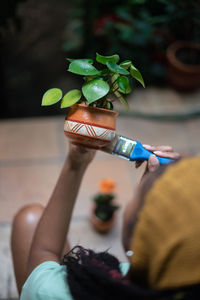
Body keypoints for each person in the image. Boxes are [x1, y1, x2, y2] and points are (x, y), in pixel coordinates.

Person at [11, 142, 200, 299]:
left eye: (140, 201)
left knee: (30, 220)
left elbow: (44, 251)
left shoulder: (53, 291)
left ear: (136, 237)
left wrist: (74, 165)